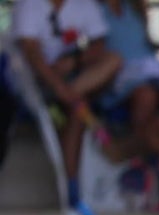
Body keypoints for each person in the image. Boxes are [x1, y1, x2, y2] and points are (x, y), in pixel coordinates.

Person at [13, 0, 122, 203]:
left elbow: (99, 45)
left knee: (112, 61)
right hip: (35, 84)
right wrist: (56, 85)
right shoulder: (28, 4)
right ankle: (72, 183)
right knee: (78, 108)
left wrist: (74, 62)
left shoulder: (85, 5)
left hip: (73, 84)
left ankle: (71, 185)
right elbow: (32, 54)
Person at [99, 0, 159, 158]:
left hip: (151, 67)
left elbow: (145, 43)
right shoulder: (97, 10)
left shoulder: (134, 7)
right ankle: (139, 150)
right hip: (119, 72)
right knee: (146, 95)